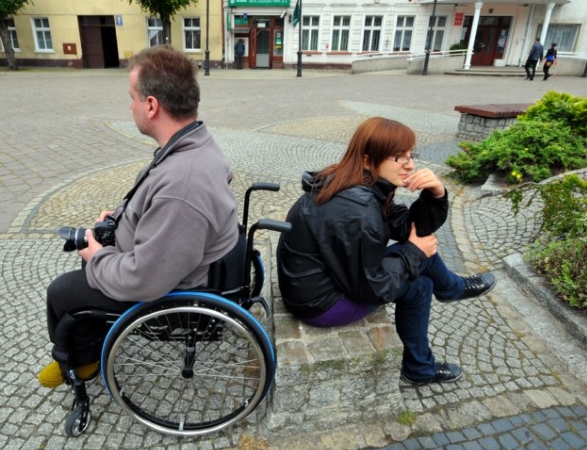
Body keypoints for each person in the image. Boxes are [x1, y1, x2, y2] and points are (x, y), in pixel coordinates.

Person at [38, 45, 239, 387]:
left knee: (62, 291)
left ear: (151, 105)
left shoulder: (183, 181)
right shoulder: (190, 143)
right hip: (159, 256)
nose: (129, 105)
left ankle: (80, 362)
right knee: (90, 264)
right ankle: (91, 340)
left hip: (168, 288)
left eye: (131, 97)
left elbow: (148, 280)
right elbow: (157, 204)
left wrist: (98, 257)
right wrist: (118, 219)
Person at [276, 117, 496, 385]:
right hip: (321, 303)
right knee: (420, 285)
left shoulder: (354, 183)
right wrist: (414, 252)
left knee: (418, 255)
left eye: (411, 155)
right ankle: (423, 357)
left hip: (315, 281)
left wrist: (435, 194)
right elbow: (372, 288)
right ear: (368, 160)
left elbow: (409, 228)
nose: (411, 164)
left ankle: (448, 296)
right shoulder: (358, 212)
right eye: (398, 157)